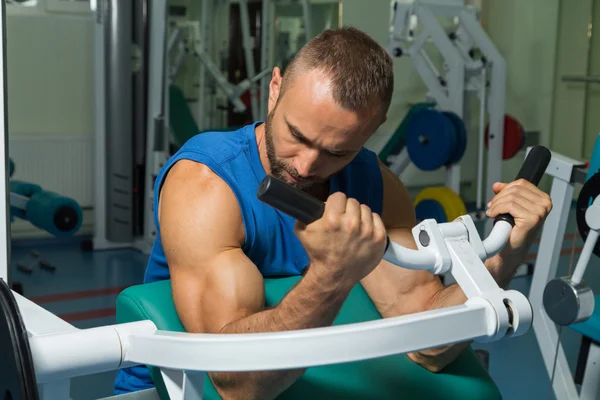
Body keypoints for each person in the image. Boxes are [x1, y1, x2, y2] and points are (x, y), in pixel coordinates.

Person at [114, 27, 552, 399]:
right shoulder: (207, 184)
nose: (304, 166)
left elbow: (430, 345)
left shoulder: (374, 185)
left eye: (336, 151)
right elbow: (237, 385)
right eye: (296, 135)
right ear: (274, 90)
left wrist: (506, 252)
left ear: (371, 133)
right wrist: (332, 274)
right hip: (164, 389)